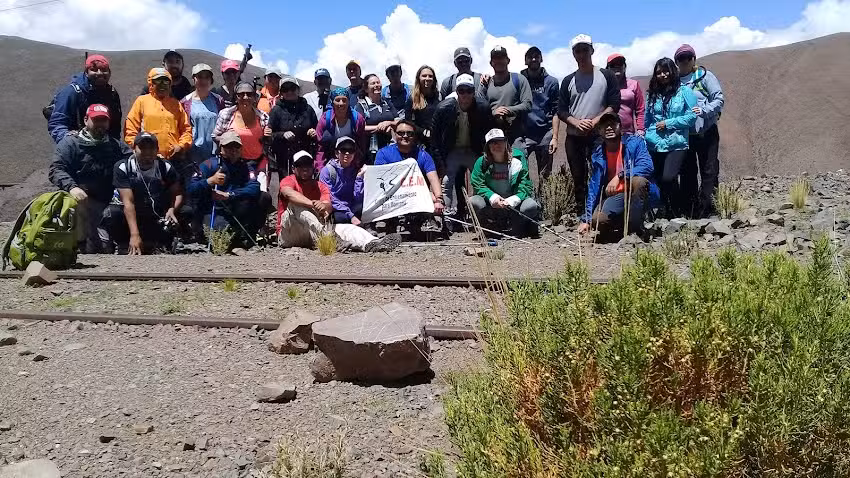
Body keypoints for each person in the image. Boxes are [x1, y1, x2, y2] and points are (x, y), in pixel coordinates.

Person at [49, 104, 133, 253]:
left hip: (106, 202)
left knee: (104, 247)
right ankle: (79, 245)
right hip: (80, 200)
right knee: (79, 205)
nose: (100, 124)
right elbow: (56, 169)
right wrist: (72, 187)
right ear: (86, 120)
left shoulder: (115, 146)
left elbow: (132, 161)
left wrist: (155, 159)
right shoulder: (70, 144)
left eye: (103, 120)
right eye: (96, 120)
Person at [278, 150, 400, 252]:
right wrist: (313, 204)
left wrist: (324, 207)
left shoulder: (320, 186)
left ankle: (373, 244)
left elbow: (329, 206)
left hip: (316, 232)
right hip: (290, 233)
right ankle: (333, 240)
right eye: (300, 165)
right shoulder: (288, 180)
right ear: (293, 168)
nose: (305, 168)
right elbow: (288, 193)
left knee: (349, 229)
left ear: (313, 167)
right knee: (296, 206)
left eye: (308, 165)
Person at [557, 34, 621, 211]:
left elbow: (614, 103)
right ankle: (581, 212)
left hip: (598, 135)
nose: (582, 54)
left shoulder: (606, 75)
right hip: (574, 136)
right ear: (573, 54)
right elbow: (561, 109)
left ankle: (603, 209)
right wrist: (576, 123)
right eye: (578, 51)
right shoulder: (568, 80)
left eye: (585, 50)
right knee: (578, 176)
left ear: (592, 50)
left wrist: (595, 121)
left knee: (600, 171)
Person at [100, 132, 183, 254]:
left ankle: (161, 242)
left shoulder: (165, 166)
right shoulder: (123, 167)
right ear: (134, 149)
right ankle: (123, 243)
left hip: (154, 210)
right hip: (131, 210)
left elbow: (177, 193)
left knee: (186, 211)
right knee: (112, 213)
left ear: (157, 150)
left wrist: (172, 209)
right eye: (142, 147)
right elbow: (128, 203)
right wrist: (134, 235)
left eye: (151, 148)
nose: (147, 152)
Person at [578, 112, 655, 240]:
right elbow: (594, 187)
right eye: (604, 125)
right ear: (599, 131)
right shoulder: (598, 154)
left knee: (640, 182)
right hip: (616, 197)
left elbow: (647, 166)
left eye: (612, 124)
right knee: (598, 220)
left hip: (634, 191)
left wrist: (620, 176)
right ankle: (620, 225)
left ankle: (634, 232)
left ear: (620, 126)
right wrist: (586, 219)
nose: (609, 128)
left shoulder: (634, 143)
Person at [431, 74, 494, 223]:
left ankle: (484, 215)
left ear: (474, 91)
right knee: (446, 182)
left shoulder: (483, 107)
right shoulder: (443, 108)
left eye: (469, 90)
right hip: (452, 151)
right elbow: (435, 140)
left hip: (474, 151)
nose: (465, 94)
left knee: (482, 180)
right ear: (456, 91)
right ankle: (443, 218)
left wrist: (487, 156)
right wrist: (441, 164)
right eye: (461, 90)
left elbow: (489, 133)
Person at [675, 44, 725, 218]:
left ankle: (708, 208)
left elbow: (718, 99)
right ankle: (690, 208)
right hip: (685, 135)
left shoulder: (705, 76)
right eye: (681, 58)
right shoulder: (675, 82)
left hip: (707, 131)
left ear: (694, 59)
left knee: (709, 169)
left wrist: (704, 111)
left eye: (688, 57)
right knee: (687, 172)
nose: (685, 61)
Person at [644, 57, 698, 218]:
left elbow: (691, 117)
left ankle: (678, 209)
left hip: (677, 143)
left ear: (673, 71)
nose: (663, 75)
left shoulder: (685, 92)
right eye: (659, 72)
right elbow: (647, 119)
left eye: (666, 70)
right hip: (655, 143)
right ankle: (667, 211)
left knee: (669, 177)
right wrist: (646, 133)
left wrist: (668, 123)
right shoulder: (652, 94)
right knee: (659, 179)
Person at [190, 131, 263, 247]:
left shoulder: (246, 166)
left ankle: (248, 234)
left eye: (236, 146)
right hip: (214, 209)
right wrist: (210, 181)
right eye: (228, 147)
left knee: (264, 197)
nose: (233, 150)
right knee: (222, 237)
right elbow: (191, 188)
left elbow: (254, 187)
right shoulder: (208, 165)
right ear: (221, 148)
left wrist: (229, 194)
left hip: (235, 206)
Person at [374, 121, 445, 235]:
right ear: (395, 135)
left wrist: (439, 199)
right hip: (392, 195)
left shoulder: (423, 155)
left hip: (415, 194)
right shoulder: (383, 154)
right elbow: (378, 180)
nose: (405, 136)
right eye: (401, 133)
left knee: (432, 199)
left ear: (414, 136)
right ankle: (390, 222)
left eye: (409, 133)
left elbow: (433, 178)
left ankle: (416, 222)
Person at [469, 128, 539, 237]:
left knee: (530, 205)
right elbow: (478, 184)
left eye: (500, 141)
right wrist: (492, 197)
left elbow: (525, 185)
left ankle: (520, 226)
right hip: (492, 204)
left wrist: (511, 201)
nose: (496, 145)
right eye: (492, 142)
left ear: (506, 143)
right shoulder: (481, 162)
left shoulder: (518, 158)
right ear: (487, 146)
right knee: (474, 201)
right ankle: (490, 227)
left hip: (513, 204)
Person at [48, 54, 122, 143]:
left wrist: (115, 146)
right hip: (77, 148)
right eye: (94, 70)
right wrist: (68, 140)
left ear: (109, 72)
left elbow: (115, 126)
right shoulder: (71, 92)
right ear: (86, 72)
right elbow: (57, 123)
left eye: (104, 70)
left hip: (104, 147)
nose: (99, 73)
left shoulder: (112, 94)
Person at [213, 82, 271, 191]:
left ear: (254, 97)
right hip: (232, 163)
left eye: (249, 94)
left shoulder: (263, 117)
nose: (245, 97)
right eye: (241, 94)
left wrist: (268, 136)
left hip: (256, 163)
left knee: (260, 194)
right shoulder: (226, 114)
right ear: (236, 97)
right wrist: (227, 139)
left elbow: (267, 142)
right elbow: (215, 136)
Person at [481, 46, 532, 152]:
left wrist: (507, 110)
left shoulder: (519, 79)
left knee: (519, 166)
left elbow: (527, 104)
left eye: (501, 58)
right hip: (492, 136)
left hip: (516, 135)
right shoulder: (485, 83)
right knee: (494, 168)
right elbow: (478, 109)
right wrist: (493, 112)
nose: (498, 61)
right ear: (491, 63)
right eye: (495, 58)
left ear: (508, 60)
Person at [521, 46, 560, 185]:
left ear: (541, 59)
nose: (533, 59)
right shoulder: (519, 80)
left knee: (545, 175)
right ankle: (525, 203)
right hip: (524, 135)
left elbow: (556, 111)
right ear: (525, 60)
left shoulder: (552, 82)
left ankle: (544, 204)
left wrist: (555, 137)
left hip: (545, 133)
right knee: (519, 171)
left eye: (536, 56)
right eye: (530, 57)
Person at [269, 76, 318, 175]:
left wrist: (313, 132)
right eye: (285, 89)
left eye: (292, 88)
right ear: (281, 93)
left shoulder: (308, 109)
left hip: (305, 155)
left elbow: (317, 129)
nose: (289, 92)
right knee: (286, 185)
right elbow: (269, 134)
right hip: (284, 158)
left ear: (298, 90)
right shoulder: (276, 110)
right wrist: (282, 134)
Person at [180, 64, 225, 168]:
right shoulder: (185, 102)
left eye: (207, 77)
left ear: (211, 80)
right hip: (193, 155)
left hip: (215, 153)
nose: (203, 81)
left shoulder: (218, 100)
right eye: (200, 77)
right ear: (193, 79)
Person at [315, 87, 367, 170]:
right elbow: (320, 147)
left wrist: (358, 165)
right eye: (337, 100)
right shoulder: (325, 119)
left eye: (344, 100)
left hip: (351, 160)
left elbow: (361, 144)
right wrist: (320, 168)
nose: (341, 103)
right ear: (332, 102)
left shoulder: (357, 119)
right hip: (330, 160)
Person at [355, 74, 401, 164]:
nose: (376, 85)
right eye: (373, 83)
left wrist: (388, 123)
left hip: (391, 148)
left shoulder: (387, 102)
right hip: (370, 151)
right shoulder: (361, 106)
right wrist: (379, 127)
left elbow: (398, 120)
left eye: (378, 82)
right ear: (366, 88)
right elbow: (360, 127)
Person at [319, 137, 364, 224]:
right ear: (337, 153)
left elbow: (358, 197)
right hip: (336, 209)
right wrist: (350, 215)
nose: (347, 153)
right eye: (343, 150)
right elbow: (330, 197)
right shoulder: (327, 171)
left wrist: (359, 178)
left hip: (352, 207)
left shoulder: (356, 169)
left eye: (351, 150)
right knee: (340, 218)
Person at [606, 53, 645, 137]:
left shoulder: (634, 84)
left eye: (620, 64)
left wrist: (640, 129)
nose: (617, 67)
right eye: (613, 65)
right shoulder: (604, 85)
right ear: (608, 68)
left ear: (624, 66)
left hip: (628, 133)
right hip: (608, 134)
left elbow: (640, 110)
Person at [403, 65, 440, 151]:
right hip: (420, 143)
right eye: (424, 76)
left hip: (438, 141)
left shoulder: (439, 96)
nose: (427, 78)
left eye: (430, 76)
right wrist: (423, 131)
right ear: (418, 78)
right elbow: (408, 122)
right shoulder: (412, 99)